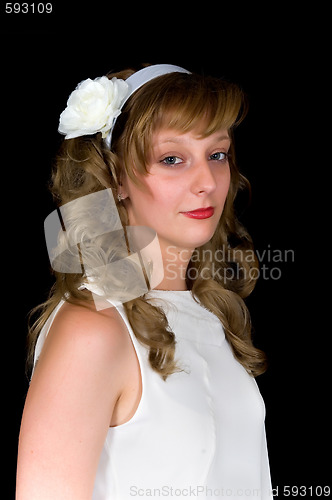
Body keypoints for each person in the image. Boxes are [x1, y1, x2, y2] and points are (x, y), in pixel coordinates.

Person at [16, 64, 273, 499]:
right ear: (116, 178)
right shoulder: (92, 329)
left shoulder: (210, 316)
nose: (207, 183)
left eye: (217, 154)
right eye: (172, 159)